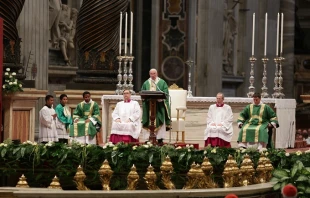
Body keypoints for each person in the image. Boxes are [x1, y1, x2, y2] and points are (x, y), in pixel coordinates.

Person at [141, 68, 170, 144]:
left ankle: (160, 139)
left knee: (159, 119)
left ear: (157, 74)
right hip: (149, 106)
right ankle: (147, 139)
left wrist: (161, 99)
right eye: (151, 74)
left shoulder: (162, 82)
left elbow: (166, 93)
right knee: (148, 119)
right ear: (149, 74)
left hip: (159, 106)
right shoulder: (146, 83)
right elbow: (142, 93)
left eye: (154, 73)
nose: (153, 75)